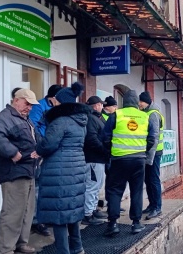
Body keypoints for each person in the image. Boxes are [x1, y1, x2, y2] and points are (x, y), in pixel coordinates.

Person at [0, 88, 40, 254]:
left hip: (28, 171)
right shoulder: (5, 118)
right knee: (12, 214)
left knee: (26, 212)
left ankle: (20, 244)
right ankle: (6, 250)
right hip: (14, 173)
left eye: (31, 105)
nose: (29, 107)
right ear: (16, 100)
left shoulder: (25, 119)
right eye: (27, 103)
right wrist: (12, 152)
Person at [36, 82, 88, 254]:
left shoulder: (60, 122)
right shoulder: (80, 122)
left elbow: (48, 145)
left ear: (62, 103)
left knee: (59, 215)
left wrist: (38, 146)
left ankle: (63, 251)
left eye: (56, 101)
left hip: (59, 171)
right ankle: (77, 248)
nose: (54, 103)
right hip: (76, 168)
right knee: (72, 211)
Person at [102, 90, 157, 236]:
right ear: (136, 102)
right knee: (137, 191)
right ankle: (136, 223)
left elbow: (105, 137)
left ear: (123, 102)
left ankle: (113, 224)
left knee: (114, 191)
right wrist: (143, 151)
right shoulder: (145, 117)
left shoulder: (116, 115)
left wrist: (111, 152)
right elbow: (152, 139)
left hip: (119, 159)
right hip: (138, 160)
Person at [27, 84, 62, 236]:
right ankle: (36, 221)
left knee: (48, 186)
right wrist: (42, 143)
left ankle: (46, 216)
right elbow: (33, 127)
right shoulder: (39, 107)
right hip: (41, 150)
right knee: (37, 186)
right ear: (53, 98)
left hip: (51, 150)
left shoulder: (57, 108)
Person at [82, 96, 109, 225]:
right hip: (94, 158)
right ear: (96, 105)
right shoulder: (91, 119)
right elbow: (92, 139)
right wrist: (104, 150)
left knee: (96, 185)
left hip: (98, 158)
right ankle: (87, 214)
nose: (102, 107)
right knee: (92, 186)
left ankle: (92, 210)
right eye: (100, 105)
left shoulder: (96, 118)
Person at [139, 91, 165, 220]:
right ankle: (152, 205)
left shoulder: (153, 114)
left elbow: (154, 137)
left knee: (154, 180)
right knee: (148, 180)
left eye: (141, 102)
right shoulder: (147, 113)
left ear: (146, 102)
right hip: (149, 152)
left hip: (154, 152)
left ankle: (157, 207)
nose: (139, 104)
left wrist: (149, 156)